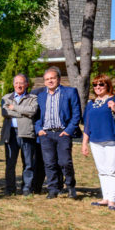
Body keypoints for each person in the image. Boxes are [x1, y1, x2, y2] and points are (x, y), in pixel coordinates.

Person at [81, 74, 115, 210]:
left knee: (112, 169)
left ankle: (112, 200)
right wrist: (84, 144)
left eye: (101, 84)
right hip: (95, 141)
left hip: (113, 139)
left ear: (108, 85)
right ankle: (105, 198)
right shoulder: (91, 104)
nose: (97, 87)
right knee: (102, 170)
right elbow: (87, 126)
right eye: (95, 85)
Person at [35, 66, 82, 199]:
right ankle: (53, 189)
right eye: (47, 79)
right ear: (44, 82)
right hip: (46, 134)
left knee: (65, 162)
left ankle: (70, 187)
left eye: (53, 78)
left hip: (63, 133)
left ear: (59, 79)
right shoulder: (41, 96)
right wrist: (39, 129)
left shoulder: (70, 92)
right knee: (49, 163)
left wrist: (68, 131)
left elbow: (76, 113)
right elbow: (37, 116)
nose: (50, 81)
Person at [0, 73, 39, 196]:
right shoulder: (6, 97)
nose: (18, 85)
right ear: (13, 84)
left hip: (26, 133)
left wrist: (14, 108)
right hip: (10, 133)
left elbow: (32, 111)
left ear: (26, 84)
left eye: (21, 83)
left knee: (28, 163)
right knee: (10, 163)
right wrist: (23, 112)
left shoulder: (32, 98)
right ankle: (10, 188)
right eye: (16, 83)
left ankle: (26, 188)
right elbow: (5, 112)